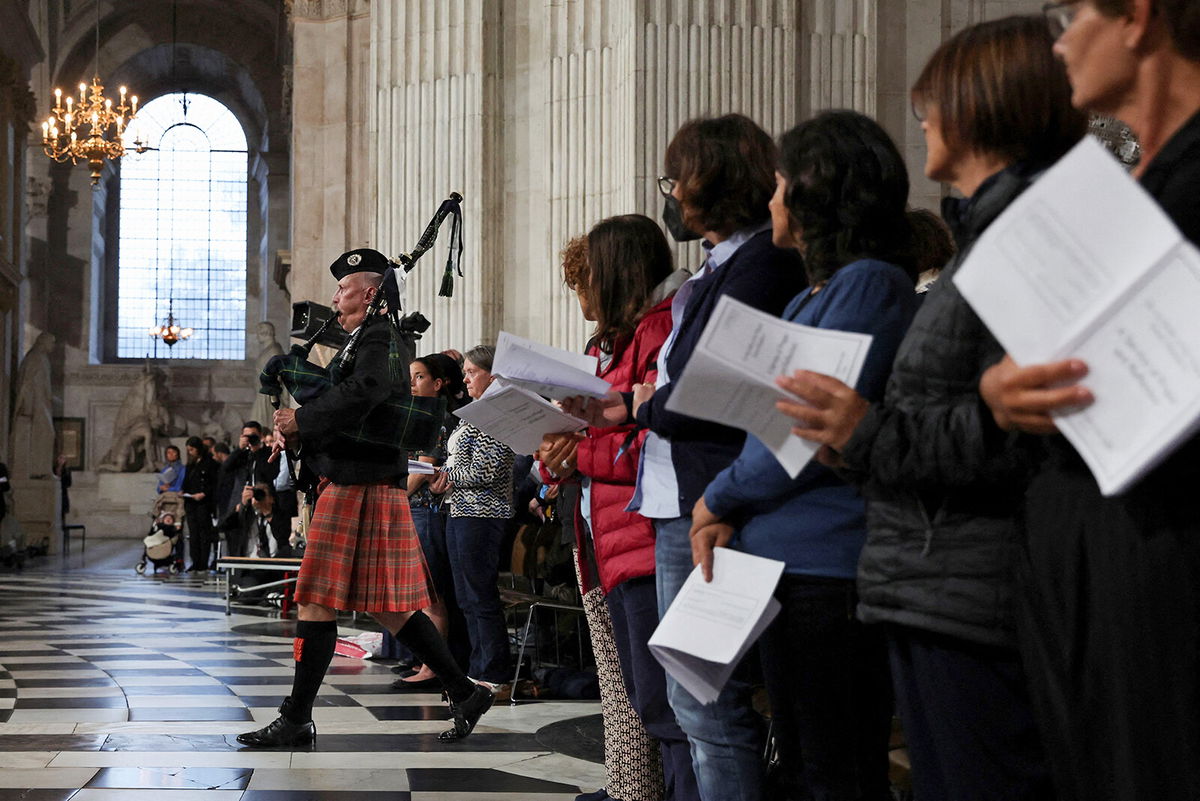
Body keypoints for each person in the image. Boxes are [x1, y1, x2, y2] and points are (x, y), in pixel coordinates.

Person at [772, 16, 1085, 801]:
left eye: (931, 102)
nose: (920, 120)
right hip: (933, 581)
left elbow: (1022, 435)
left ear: (981, 105)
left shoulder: (1025, 235)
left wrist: (865, 430)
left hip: (970, 589)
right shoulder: (986, 237)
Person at [977, 3, 1200, 799]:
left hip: (1165, 562)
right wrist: (1002, 389)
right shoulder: (1122, 183)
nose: (1060, 41)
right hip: (1083, 560)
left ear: (1137, 18)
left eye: (1072, 15)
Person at [568, 114, 806, 801]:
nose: (671, 194)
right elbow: (681, 387)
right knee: (694, 696)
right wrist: (626, 406)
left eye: (679, 179)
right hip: (680, 499)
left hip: (713, 497)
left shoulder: (762, 261)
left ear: (715, 181)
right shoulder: (719, 267)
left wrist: (644, 404)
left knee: (707, 701)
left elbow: (710, 390)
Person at [689, 110, 917, 801]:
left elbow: (803, 431)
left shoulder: (869, 283)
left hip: (829, 568)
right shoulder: (813, 293)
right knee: (802, 766)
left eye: (782, 183)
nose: (770, 198)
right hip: (786, 563)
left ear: (819, 193)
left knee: (836, 773)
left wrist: (719, 498)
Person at [237, 248, 491, 748]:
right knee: (389, 606)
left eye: (343, 288)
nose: (335, 297)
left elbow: (367, 391)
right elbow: (353, 402)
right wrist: (296, 428)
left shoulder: (379, 335)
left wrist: (303, 420)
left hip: (357, 484)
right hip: (365, 482)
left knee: (314, 598)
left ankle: (295, 717)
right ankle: (464, 692)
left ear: (370, 293)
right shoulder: (368, 338)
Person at [549, 218, 693, 801]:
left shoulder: (659, 332)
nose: (586, 295)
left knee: (673, 708)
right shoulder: (630, 337)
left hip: (644, 535)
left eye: (591, 280)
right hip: (616, 539)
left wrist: (581, 448)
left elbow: (654, 441)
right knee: (647, 698)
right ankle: (638, 789)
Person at [438, 345, 516, 697]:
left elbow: (488, 468)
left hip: (483, 513)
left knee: (481, 595)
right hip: (460, 509)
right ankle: (476, 670)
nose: (465, 377)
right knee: (466, 597)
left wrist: (445, 473)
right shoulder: (476, 412)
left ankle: (494, 674)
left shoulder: (497, 412)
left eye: (471, 371)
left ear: (492, 374)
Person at [180, 436, 219, 573]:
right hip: (191, 503)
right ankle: (195, 561)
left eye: (192, 449)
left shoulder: (210, 463)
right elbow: (186, 481)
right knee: (193, 533)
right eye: (188, 450)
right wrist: (183, 492)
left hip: (204, 503)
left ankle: (203, 562)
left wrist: (204, 493)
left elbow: (214, 483)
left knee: (204, 533)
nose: (190, 452)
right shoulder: (191, 464)